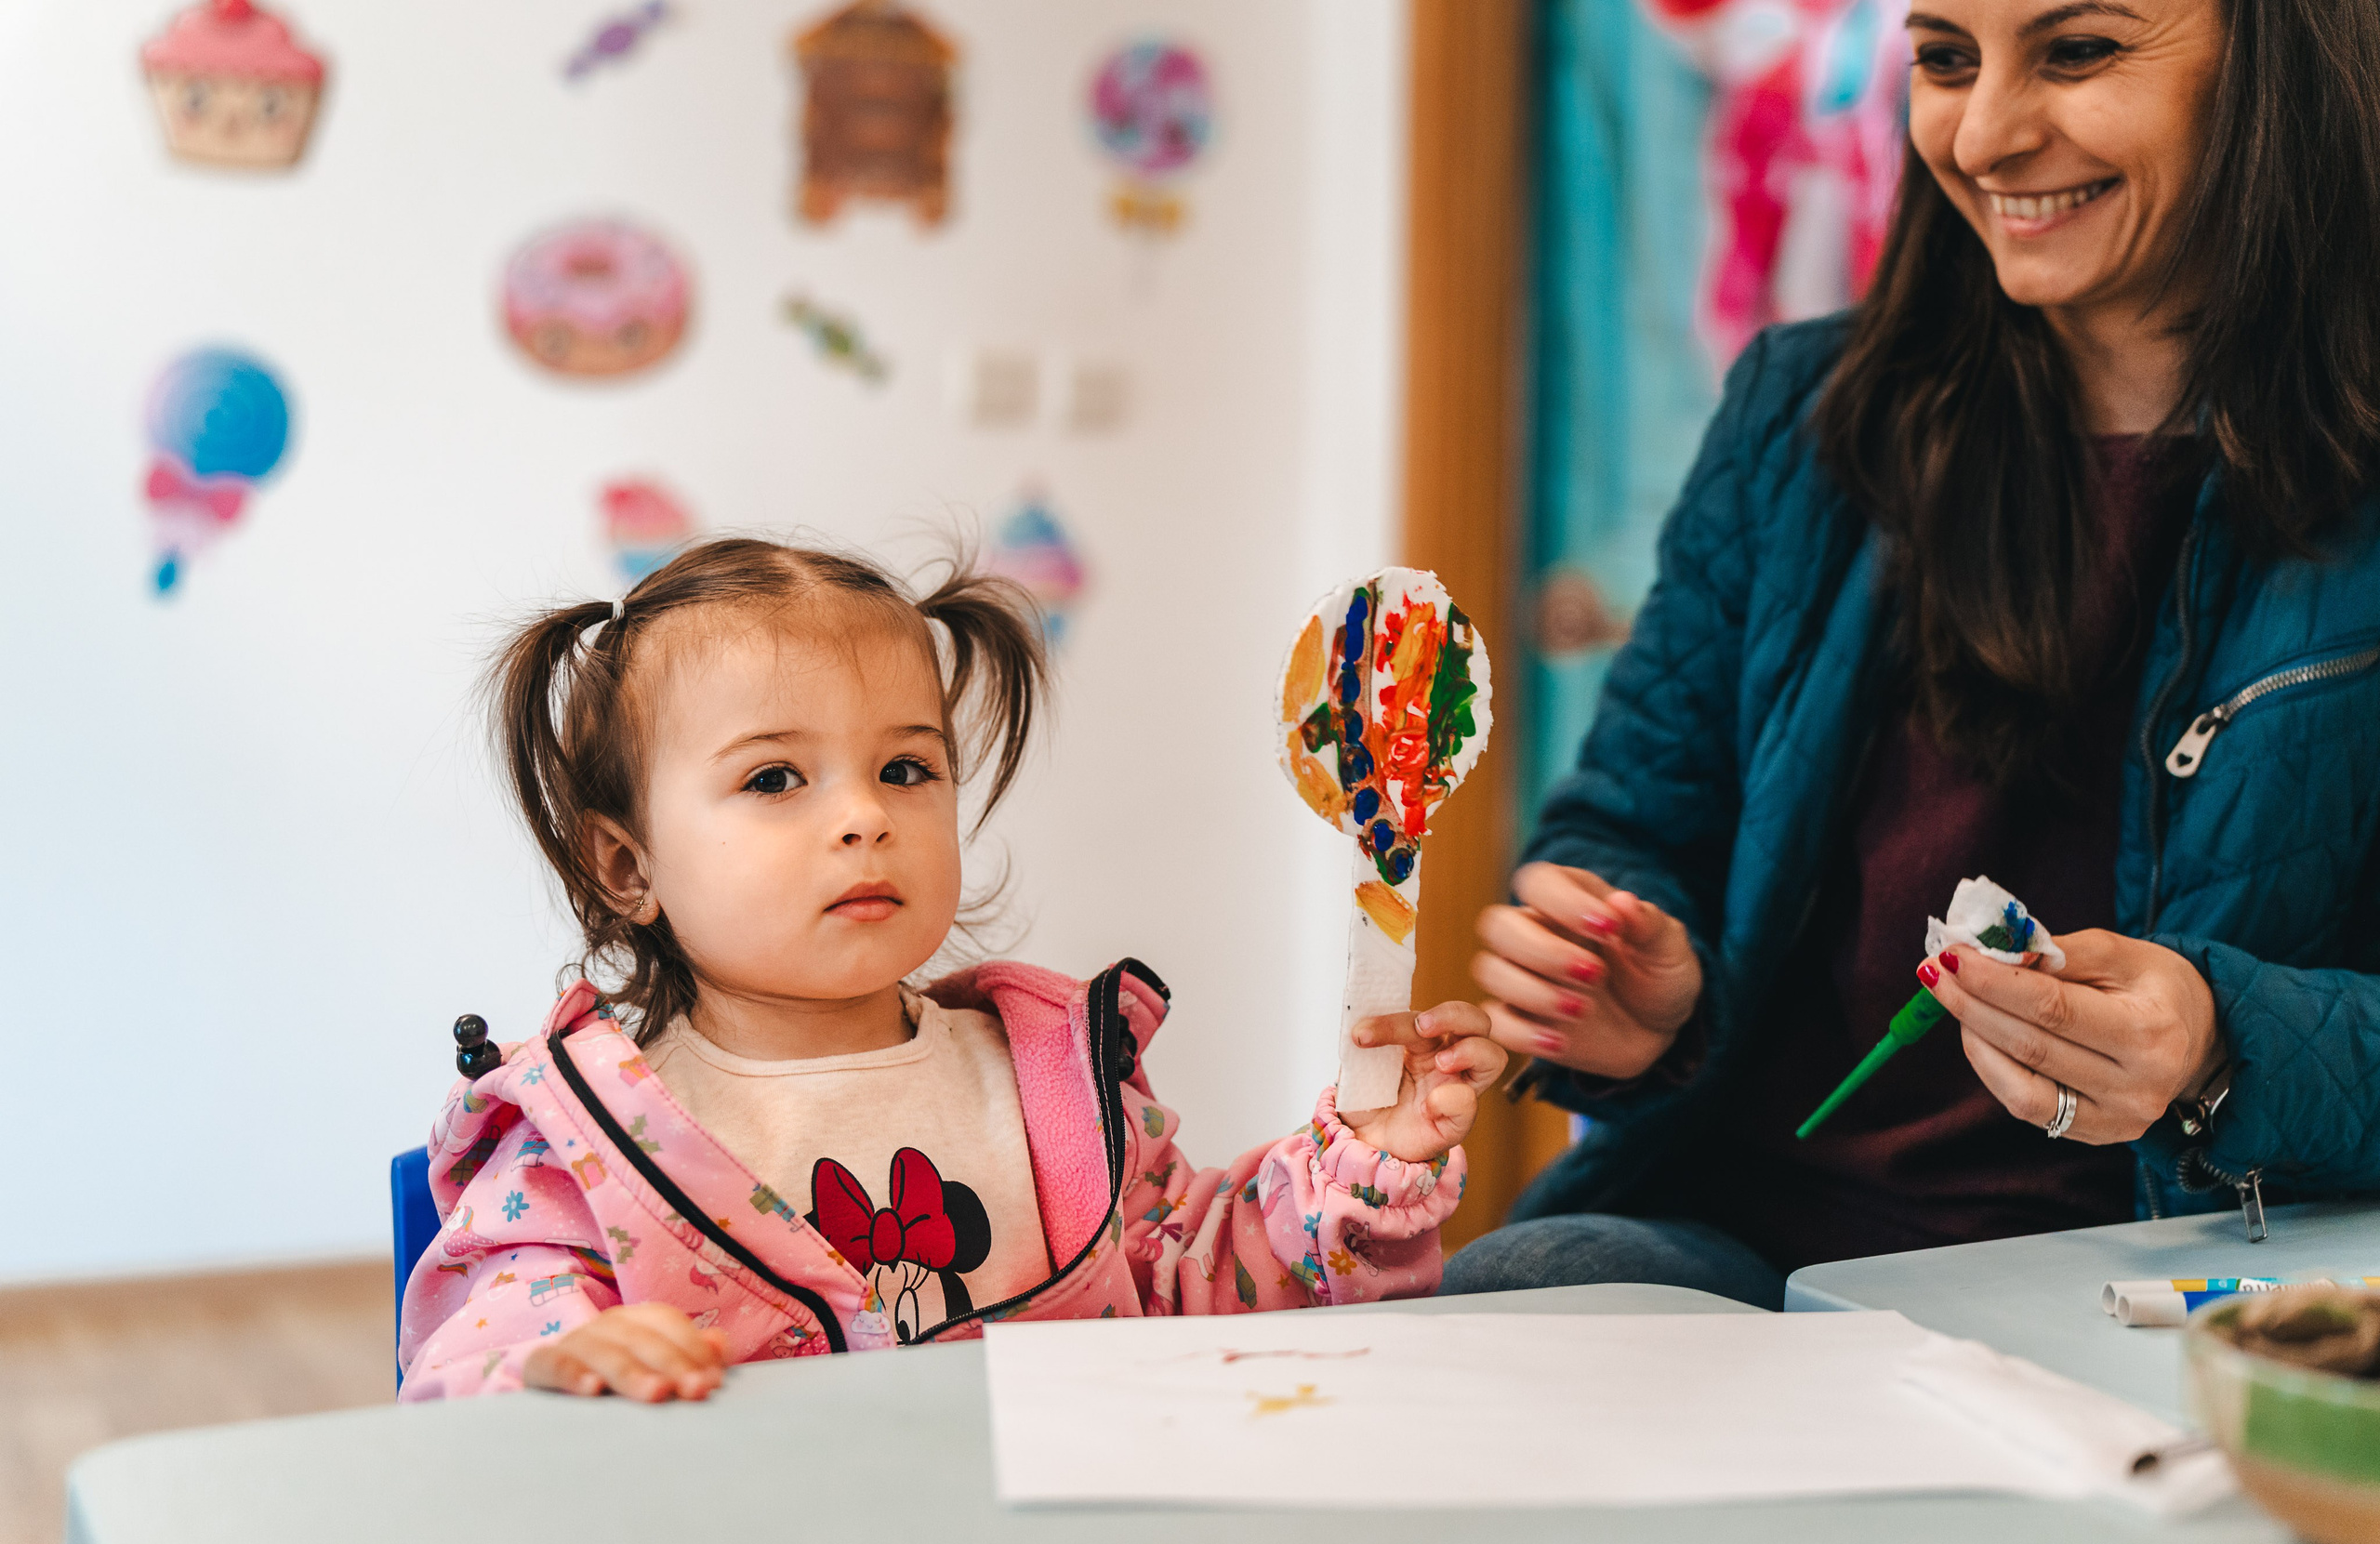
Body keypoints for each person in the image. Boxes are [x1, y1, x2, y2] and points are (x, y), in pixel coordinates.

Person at [1449, 0, 2380, 1308]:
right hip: (1753, 1239)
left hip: (2173, 1283)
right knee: (1532, 1285)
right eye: (1945, 59)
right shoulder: (1804, 418)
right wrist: (1632, 982)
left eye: (2078, 51)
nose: (1986, 135)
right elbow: (1628, 822)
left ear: (2283, 60)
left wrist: (2224, 1044)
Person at [398, 538, 1504, 1400]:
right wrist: (568, 1361)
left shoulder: (1051, 1081)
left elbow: (1193, 1284)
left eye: (906, 768)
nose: (865, 817)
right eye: (777, 778)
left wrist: (1363, 1154)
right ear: (628, 865)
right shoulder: (586, 1137)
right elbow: (478, 1351)